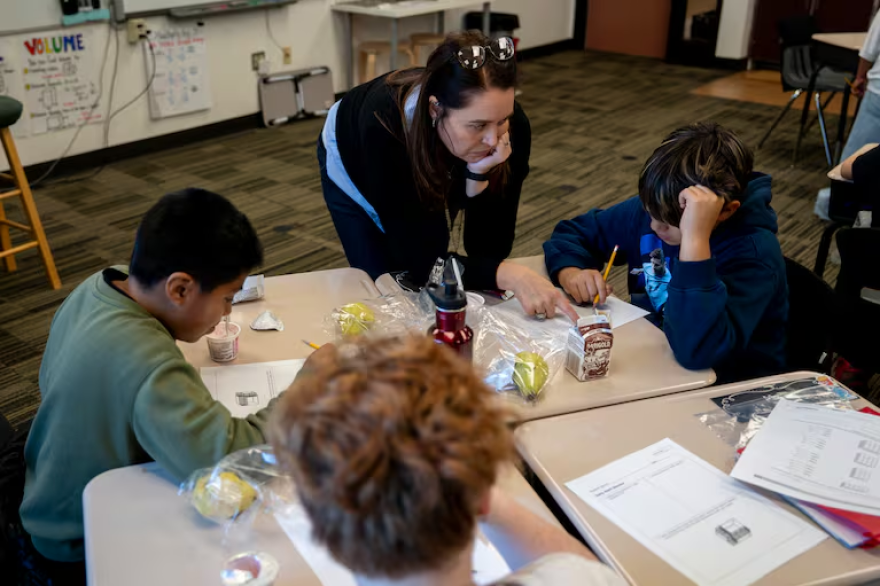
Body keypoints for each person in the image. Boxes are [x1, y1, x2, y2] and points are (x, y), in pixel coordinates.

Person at [19, 189, 294, 584]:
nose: (227, 313)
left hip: (46, 494)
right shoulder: (148, 364)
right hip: (77, 545)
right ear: (180, 289)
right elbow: (231, 461)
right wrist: (304, 393)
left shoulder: (101, 286)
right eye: (228, 299)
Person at [270, 336, 626, 586]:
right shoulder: (577, 579)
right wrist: (470, 481)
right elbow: (579, 571)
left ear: (315, 521)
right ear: (482, 495)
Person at [318, 30, 577, 321]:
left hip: (436, 147)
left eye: (502, 119)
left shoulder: (512, 129)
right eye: (477, 125)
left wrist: (481, 177)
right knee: (386, 290)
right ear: (434, 109)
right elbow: (422, 264)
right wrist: (511, 275)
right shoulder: (384, 131)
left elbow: (488, 249)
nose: (493, 139)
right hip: (353, 158)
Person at [543, 123, 788, 384]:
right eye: (650, 213)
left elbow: (697, 352)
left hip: (725, 389)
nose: (653, 226)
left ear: (725, 212)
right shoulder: (660, 209)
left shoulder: (753, 255)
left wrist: (695, 241)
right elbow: (575, 233)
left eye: (668, 222)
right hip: (655, 357)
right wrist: (572, 271)